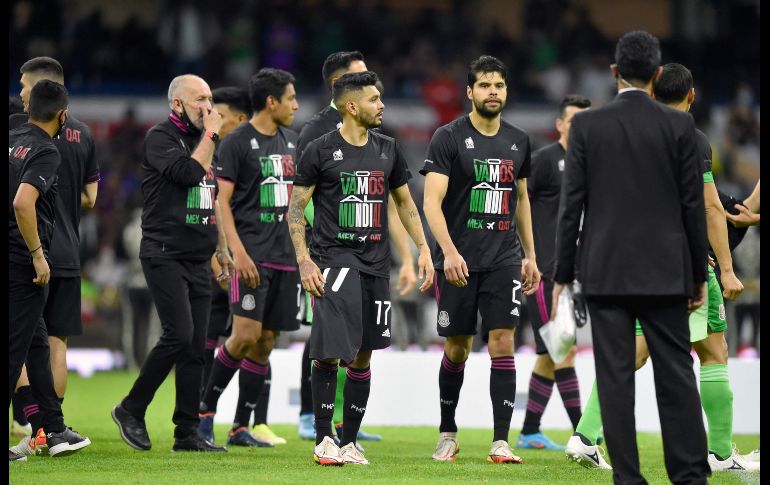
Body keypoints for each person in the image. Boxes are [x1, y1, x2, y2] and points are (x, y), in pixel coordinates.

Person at [564, 62, 757, 473]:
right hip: (682, 263)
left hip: (631, 260)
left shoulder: (628, 135)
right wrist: (726, 268)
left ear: (652, 90)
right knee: (713, 351)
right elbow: (710, 207)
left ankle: (585, 434)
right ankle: (720, 453)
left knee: (633, 353)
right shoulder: (689, 136)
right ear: (692, 96)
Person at [552, 31, 710, 484]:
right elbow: (692, 207)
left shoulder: (587, 127)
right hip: (667, 271)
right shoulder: (680, 128)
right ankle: (690, 476)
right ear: (658, 74)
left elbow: (571, 207)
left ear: (614, 72)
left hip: (606, 271)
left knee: (615, 379)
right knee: (676, 375)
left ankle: (628, 479)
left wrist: (562, 274)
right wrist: (698, 274)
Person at [289, 71, 434, 465]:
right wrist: (304, 260)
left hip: (376, 265)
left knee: (364, 354)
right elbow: (295, 209)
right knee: (330, 351)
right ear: (351, 106)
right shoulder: (319, 149)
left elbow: (404, 204)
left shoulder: (388, 149)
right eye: (374, 99)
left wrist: (422, 249)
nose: (381, 105)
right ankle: (324, 438)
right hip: (335, 261)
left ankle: (349, 442)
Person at [421, 55, 540, 464]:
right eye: (485, 85)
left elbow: (521, 200)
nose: (493, 92)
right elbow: (431, 202)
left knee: (503, 340)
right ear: (470, 92)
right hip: (458, 261)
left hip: (504, 257)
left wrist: (531, 255)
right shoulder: (448, 137)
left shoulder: (519, 140)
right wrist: (449, 251)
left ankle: (501, 441)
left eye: (499, 85)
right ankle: (447, 432)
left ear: (507, 91)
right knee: (457, 347)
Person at [111, 74, 234, 453]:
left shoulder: (206, 141)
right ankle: (131, 408)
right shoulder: (160, 138)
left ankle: (187, 432)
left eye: (210, 98)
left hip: (198, 255)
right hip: (164, 252)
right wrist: (211, 135)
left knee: (196, 346)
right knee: (179, 334)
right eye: (199, 99)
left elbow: (212, 197)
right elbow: (189, 175)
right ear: (177, 104)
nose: (208, 106)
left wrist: (222, 248)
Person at [198, 69, 299, 448]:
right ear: (271, 102)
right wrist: (235, 253)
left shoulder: (293, 142)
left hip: (285, 258)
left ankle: (241, 426)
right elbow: (221, 202)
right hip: (251, 257)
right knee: (244, 336)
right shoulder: (238, 142)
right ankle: (205, 412)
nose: (295, 105)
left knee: (266, 341)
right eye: (290, 98)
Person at [9, 57, 99, 456]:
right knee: (26, 346)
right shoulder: (54, 146)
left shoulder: (12, 136)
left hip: (24, 254)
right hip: (32, 257)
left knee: (36, 345)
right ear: (63, 113)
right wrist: (36, 254)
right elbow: (24, 202)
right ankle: (47, 429)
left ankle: (52, 429)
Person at [517, 94, 591, 451]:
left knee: (549, 354)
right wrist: (524, 256)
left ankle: (530, 430)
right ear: (560, 124)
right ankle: (584, 433)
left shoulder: (593, 166)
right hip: (543, 272)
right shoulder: (545, 161)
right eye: (574, 121)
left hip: (571, 275)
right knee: (563, 349)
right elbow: (518, 205)